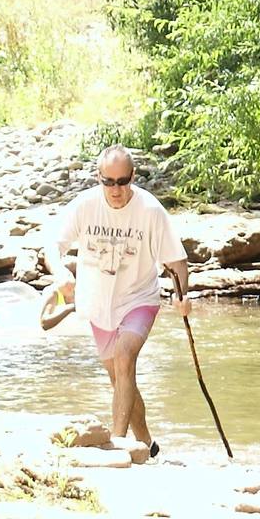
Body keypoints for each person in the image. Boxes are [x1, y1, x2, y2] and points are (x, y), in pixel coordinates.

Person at [49, 144, 188, 458]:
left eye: (122, 181)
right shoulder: (85, 206)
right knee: (120, 380)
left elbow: (177, 262)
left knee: (125, 358)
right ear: (98, 178)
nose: (115, 189)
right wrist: (60, 272)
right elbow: (52, 243)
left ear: (133, 177)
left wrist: (183, 295)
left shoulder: (150, 211)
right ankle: (147, 445)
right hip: (98, 304)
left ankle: (117, 444)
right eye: (108, 182)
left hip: (139, 298)